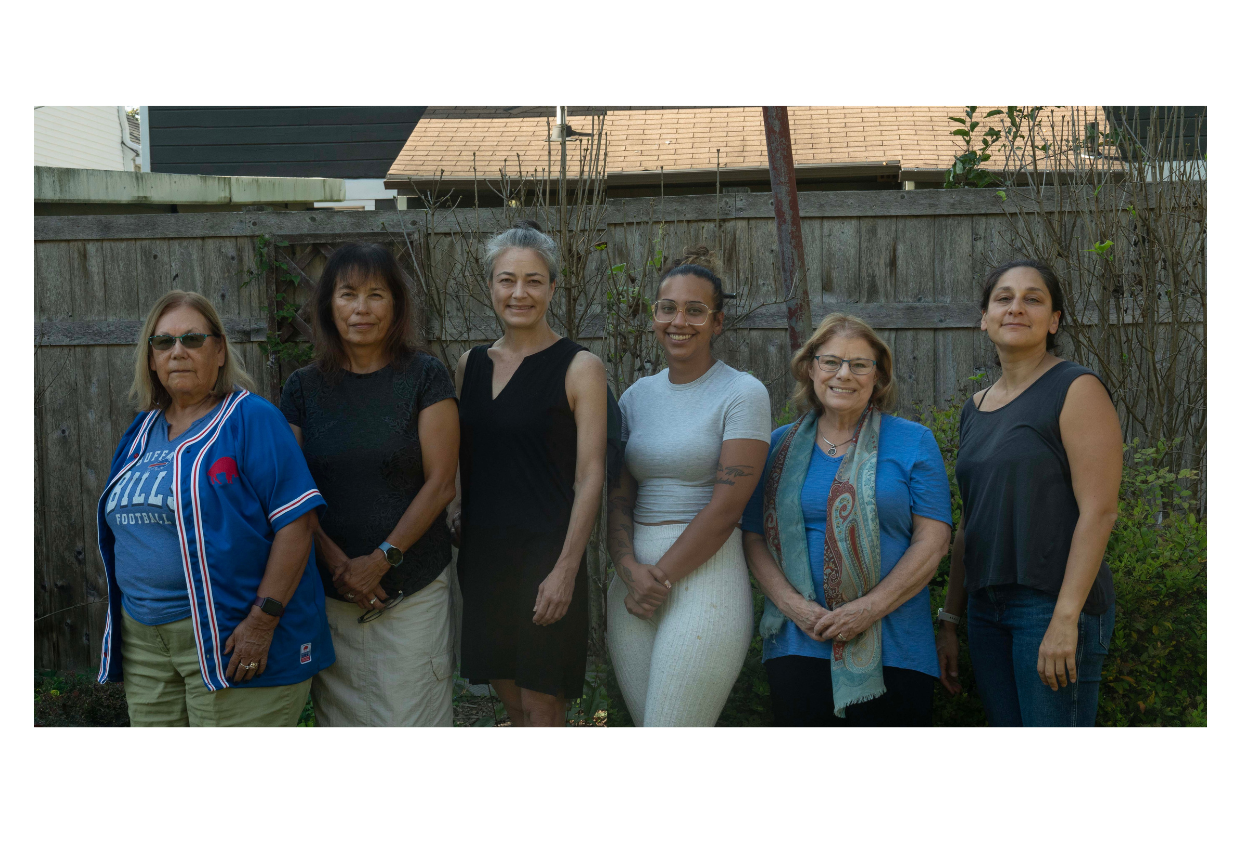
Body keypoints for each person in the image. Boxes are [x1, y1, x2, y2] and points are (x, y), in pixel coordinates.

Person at [96, 291, 332, 726]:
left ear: (219, 351)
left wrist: (262, 622)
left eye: (192, 339)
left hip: (230, 636)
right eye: (163, 342)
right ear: (151, 359)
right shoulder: (141, 430)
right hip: (145, 645)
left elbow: (298, 524)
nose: (177, 351)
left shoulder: (251, 418)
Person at [741, 313, 952, 726]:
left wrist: (868, 609)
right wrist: (795, 608)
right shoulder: (776, 446)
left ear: (879, 376)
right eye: (831, 361)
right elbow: (753, 538)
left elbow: (933, 541)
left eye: (859, 364)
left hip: (896, 648)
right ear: (810, 368)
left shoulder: (913, 441)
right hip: (799, 644)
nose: (844, 374)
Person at [281, 244, 459, 727]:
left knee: (412, 720)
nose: (362, 308)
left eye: (376, 294)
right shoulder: (302, 388)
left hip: (412, 592)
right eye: (348, 294)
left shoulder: (425, 376)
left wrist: (381, 560)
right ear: (328, 305)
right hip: (332, 594)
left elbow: (442, 484)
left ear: (396, 305)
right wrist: (340, 565)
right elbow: (290, 492)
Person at [937, 260, 1121, 727]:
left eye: (1033, 299)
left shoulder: (1076, 388)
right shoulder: (974, 408)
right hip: (985, 610)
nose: (1016, 307)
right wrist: (951, 619)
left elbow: (1099, 512)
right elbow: (970, 523)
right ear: (984, 318)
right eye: (1004, 298)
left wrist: (1065, 618)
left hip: (1051, 605)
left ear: (1054, 321)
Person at [605, 247, 771, 726]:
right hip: (632, 585)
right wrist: (629, 571)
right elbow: (619, 499)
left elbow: (726, 509)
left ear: (717, 322)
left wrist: (656, 579)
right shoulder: (636, 397)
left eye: (695, 310)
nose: (679, 321)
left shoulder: (742, 393)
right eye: (668, 308)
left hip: (705, 582)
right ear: (654, 315)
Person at [452, 221, 607, 727]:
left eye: (534, 281)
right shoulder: (469, 365)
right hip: (484, 554)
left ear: (553, 288)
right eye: (507, 280)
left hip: (547, 556)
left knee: (543, 703)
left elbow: (591, 475)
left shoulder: (580, 367)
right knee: (512, 700)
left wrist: (566, 569)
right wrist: (456, 506)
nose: (519, 293)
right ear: (490, 286)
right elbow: (465, 452)